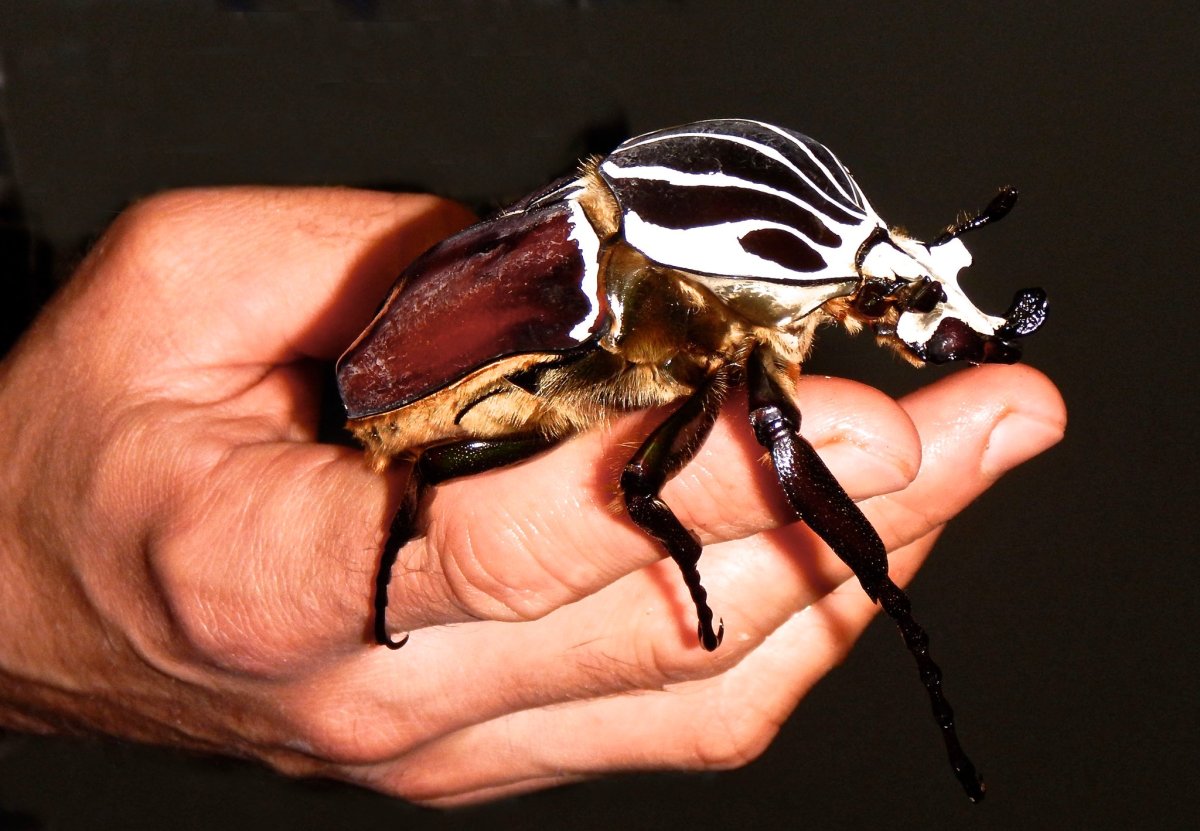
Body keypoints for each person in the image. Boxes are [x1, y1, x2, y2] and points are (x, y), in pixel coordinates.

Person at [0, 188, 1065, 805]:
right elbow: (683, 471)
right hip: (443, 382)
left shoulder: (727, 292)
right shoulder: (670, 292)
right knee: (667, 465)